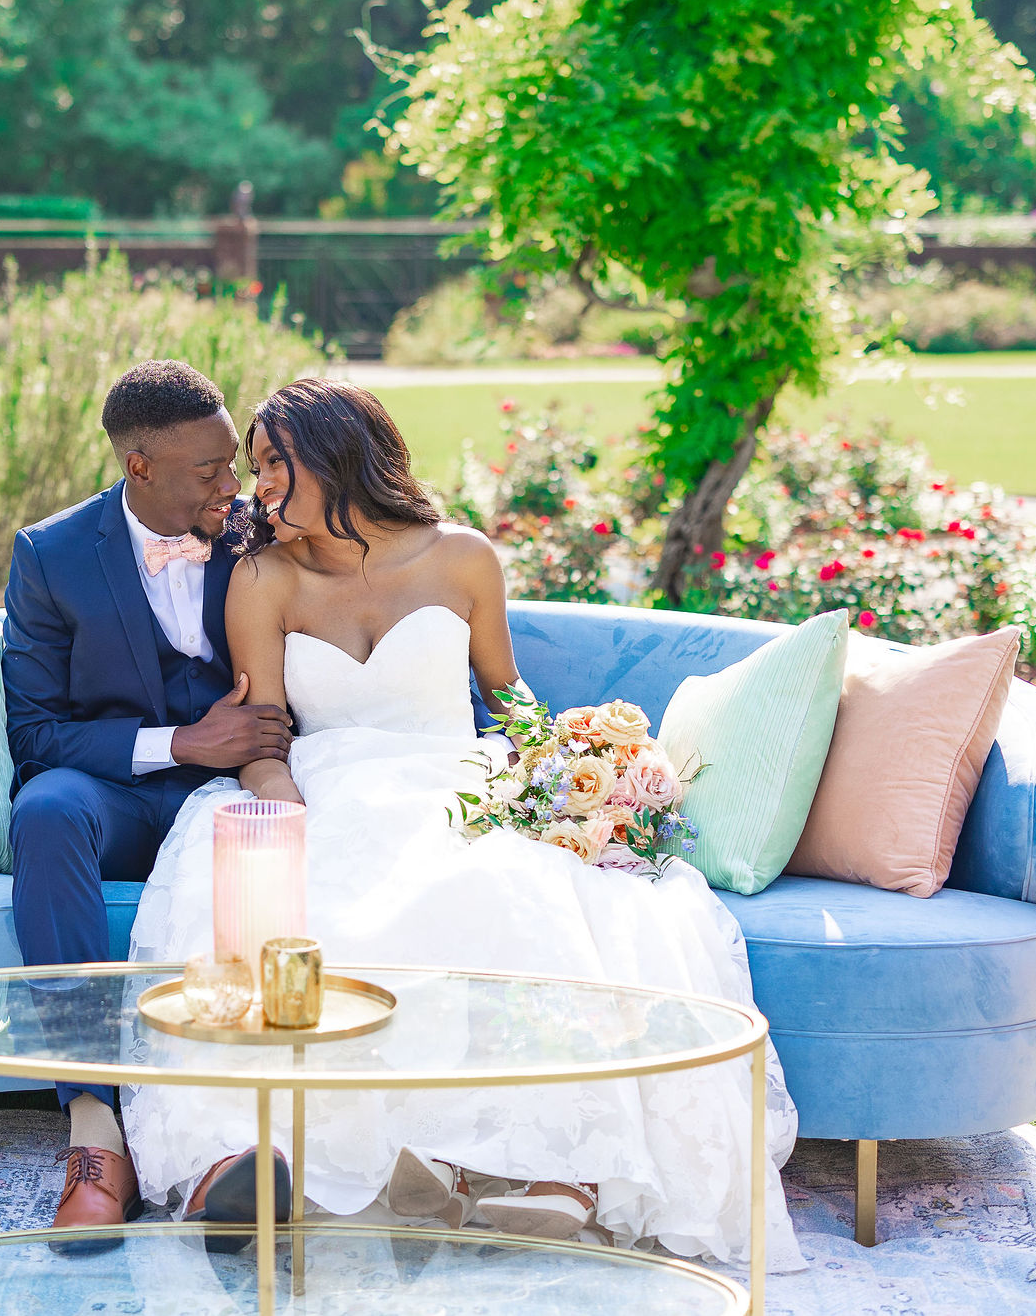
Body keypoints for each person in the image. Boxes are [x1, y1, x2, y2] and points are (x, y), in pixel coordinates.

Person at [123, 378, 804, 1270]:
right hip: (326, 784)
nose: (261, 493)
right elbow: (261, 733)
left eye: (277, 468)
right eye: (257, 472)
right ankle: (308, 1161)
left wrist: (577, 777)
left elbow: (509, 700)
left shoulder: (464, 558)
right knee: (310, 899)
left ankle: (549, 1171)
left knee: (524, 894)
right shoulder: (263, 577)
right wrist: (278, 797)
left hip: (457, 780)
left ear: (338, 459)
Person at [2, 360, 295, 1237]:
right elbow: (35, 730)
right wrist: (179, 743)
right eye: (210, 471)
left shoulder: (259, 534)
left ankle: (241, 1140)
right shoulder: (50, 555)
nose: (233, 485)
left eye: (233, 464)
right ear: (139, 467)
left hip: (243, 792)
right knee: (45, 809)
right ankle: (93, 1123)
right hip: (122, 794)